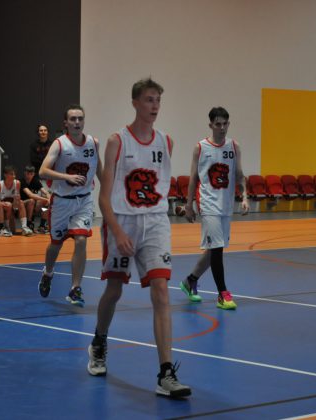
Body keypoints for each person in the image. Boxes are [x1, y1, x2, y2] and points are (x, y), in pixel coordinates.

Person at [88, 78, 191, 398]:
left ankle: (166, 373)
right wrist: (118, 232)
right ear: (135, 103)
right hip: (122, 221)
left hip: (156, 222)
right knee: (114, 290)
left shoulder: (166, 142)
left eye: (158, 100)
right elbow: (103, 198)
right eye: (149, 99)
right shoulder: (117, 141)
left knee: (161, 291)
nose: (155, 105)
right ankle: (99, 341)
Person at [180, 106, 249, 309]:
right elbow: (193, 178)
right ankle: (223, 295)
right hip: (208, 204)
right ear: (210, 125)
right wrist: (189, 205)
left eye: (225, 124)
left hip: (226, 206)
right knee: (217, 249)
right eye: (218, 124)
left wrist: (244, 197)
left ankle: (190, 281)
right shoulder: (200, 148)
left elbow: (239, 174)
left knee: (213, 251)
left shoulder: (234, 146)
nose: (222, 128)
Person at [37, 105, 101, 306]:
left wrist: (111, 192)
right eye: (73, 119)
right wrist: (67, 177)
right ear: (66, 123)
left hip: (84, 200)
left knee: (81, 240)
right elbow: (42, 171)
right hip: (62, 201)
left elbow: (99, 170)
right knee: (56, 245)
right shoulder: (59, 144)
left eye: (80, 118)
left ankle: (75, 288)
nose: (77, 122)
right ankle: (48, 272)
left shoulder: (93, 143)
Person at [0, 165, 33, 236]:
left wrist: (16, 200)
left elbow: (18, 198)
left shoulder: (17, 183)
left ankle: (24, 227)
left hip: (13, 206)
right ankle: (5, 227)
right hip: (4, 209)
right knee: (13, 231)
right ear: (5, 175)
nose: (14, 176)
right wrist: (4, 204)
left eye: (14, 174)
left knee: (21, 202)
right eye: (11, 174)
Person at [20, 165, 50, 233]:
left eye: (31, 174)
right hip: (22, 204)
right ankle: (29, 223)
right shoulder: (22, 181)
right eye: (28, 173)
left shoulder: (35, 181)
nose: (29, 175)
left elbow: (44, 191)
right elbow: (30, 195)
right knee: (32, 200)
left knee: (45, 203)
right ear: (25, 173)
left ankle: (42, 226)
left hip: (33, 205)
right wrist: (45, 199)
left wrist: (48, 196)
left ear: (34, 174)